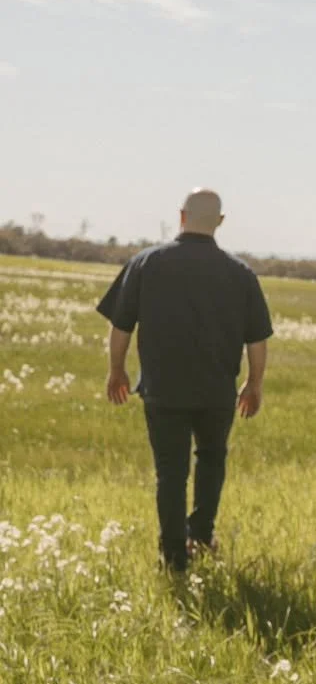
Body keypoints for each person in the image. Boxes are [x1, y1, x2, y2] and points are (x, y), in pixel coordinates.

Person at [96, 188, 273, 572]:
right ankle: (202, 534)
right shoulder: (240, 273)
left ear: (181, 215)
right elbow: (257, 339)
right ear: (220, 222)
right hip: (217, 391)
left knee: (171, 472)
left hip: (163, 390)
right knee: (212, 460)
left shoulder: (146, 262)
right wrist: (254, 384)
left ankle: (174, 555)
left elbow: (121, 325)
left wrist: (117, 369)